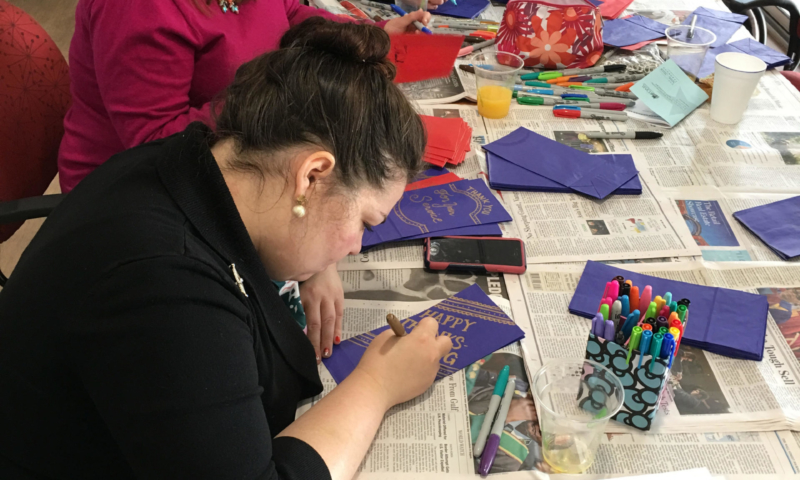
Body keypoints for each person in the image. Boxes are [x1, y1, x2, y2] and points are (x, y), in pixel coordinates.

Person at [0, 19, 452, 479]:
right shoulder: (166, 287)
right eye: (363, 223)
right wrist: (377, 385)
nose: (355, 247)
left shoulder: (197, 159)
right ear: (311, 176)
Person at [57, 0, 440, 193]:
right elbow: (158, 142)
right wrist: (281, 88)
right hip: (138, 188)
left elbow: (289, 12)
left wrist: (374, 32)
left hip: (237, 144)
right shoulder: (136, 8)